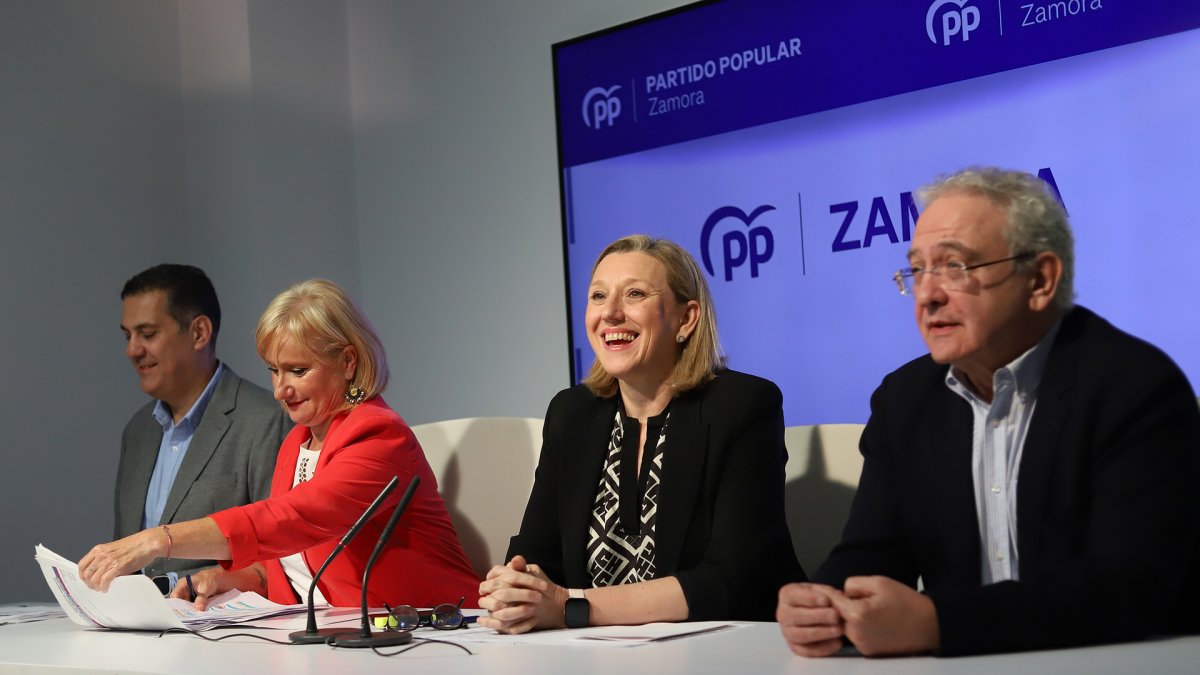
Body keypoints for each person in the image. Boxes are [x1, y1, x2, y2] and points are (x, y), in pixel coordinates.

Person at [777, 167, 1200, 657]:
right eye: (917, 269)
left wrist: (938, 624)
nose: (928, 294)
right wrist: (820, 602)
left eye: (956, 267)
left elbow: (1130, 586)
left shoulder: (1136, 385)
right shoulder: (905, 399)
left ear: (1040, 280)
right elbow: (872, 554)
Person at [82, 279, 481, 609]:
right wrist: (229, 578)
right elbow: (293, 566)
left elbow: (293, 519)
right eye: (274, 371)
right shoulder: (297, 441)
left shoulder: (379, 435)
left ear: (347, 362)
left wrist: (160, 539)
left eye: (297, 370)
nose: (279, 390)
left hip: (436, 635)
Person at [479, 235, 804, 633]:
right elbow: (539, 553)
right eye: (598, 296)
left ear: (686, 319)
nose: (610, 313)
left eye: (634, 294)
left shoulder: (743, 405)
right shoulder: (572, 413)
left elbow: (733, 580)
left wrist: (569, 606)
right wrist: (517, 587)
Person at [116, 264, 289, 586]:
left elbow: (282, 556)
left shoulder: (266, 419)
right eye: (127, 336)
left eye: (148, 334)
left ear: (199, 333)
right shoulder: (137, 431)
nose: (132, 350)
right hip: (136, 627)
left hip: (222, 627)